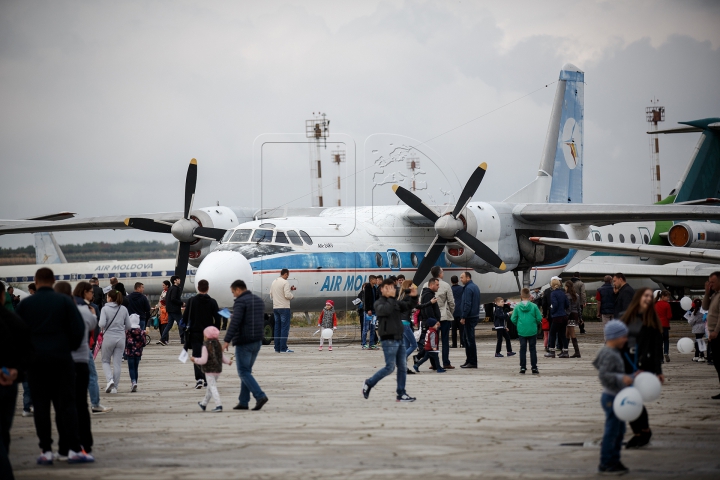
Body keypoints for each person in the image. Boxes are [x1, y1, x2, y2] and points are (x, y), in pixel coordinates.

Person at [15, 267, 92, 465]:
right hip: (62, 360)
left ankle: (46, 450)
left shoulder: (26, 304)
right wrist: (66, 348)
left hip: (36, 363)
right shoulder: (65, 301)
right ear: (53, 280)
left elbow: (18, 334)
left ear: (36, 281)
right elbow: (78, 330)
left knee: (40, 406)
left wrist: (27, 358)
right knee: (66, 405)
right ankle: (74, 449)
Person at [55, 281, 97, 460]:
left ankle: (63, 447)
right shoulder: (83, 311)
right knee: (81, 404)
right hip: (80, 361)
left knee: (61, 406)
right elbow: (93, 325)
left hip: (59, 362)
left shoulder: (53, 312)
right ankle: (85, 444)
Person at [621, 288, 665, 449]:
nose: (648, 298)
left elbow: (655, 350)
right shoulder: (626, 319)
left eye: (650, 296)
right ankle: (638, 433)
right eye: (645, 295)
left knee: (636, 400)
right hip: (628, 365)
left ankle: (644, 431)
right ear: (639, 298)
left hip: (645, 367)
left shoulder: (652, 322)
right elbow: (621, 346)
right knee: (628, 400)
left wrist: (658, 371)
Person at [362, 278, 416, 402]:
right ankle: (369, 383)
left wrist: (413, 297)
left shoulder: (396, 302)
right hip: (388, 339)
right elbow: (385, 310)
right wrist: (392, 298)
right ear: (382, 289)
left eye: (392, 287)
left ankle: (401, 393)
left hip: (399, 337)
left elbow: (408, 306)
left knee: (402, 366)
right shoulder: (379, 303)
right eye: (387, 288)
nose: (391, 290)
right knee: (390, 367)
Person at [593, 320, 633, 475]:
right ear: (613, 337)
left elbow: (599, 365)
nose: (625, 339)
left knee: (619, 429)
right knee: (612, 431)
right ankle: (607, 461)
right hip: (611, 397)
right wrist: (621, 379)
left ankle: (614, 460)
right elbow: (604, 375)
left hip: (615, 396)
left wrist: (630, 376)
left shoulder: (608, 351)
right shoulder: (609, 353)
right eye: (623, 336)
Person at [0, 281, 32, 479]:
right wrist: (16, 372)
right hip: (7, 382)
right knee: (3, 433)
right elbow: (28, 351)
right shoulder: (12, 320)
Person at [223, 280, 268, 411]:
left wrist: (226, 340)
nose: (233, 295)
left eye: (233, 292)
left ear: (238, 289)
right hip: (257, 341)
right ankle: (243, 402)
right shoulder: (259, 301)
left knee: (243, 371)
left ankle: (260, 395)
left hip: (244, 341)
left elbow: (235, 322)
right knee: (246, 371)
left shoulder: (240, 302)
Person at [73, 282, 111, 415]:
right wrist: (94, 315)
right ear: (84, 292)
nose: (92, 294)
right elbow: (92, 325)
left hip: (68, 348)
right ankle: (95, 403)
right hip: (82, 347)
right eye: (91, 292)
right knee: (92, 376)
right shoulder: (86, 307)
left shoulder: (70, 303)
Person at [183, 280, 222, 389]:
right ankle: (206, 380)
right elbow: (218, 318)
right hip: (208, 334)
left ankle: (199, 379)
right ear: (208, 288)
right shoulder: (212, 302)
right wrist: (215, 330)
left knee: (196, 355)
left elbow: (185, 318)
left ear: (198, 288)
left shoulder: (191, 301)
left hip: (195, 333)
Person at [99, 289, 132, 394]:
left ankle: (110, 380)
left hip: (108, 337)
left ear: (109, 298)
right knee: (117, 363)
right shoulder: (123, 309)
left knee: (105, 361)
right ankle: (115, 388)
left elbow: (102, 324)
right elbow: (128, 326)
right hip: (121, 338)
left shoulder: (105, 309)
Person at [193, 326, 232, 412]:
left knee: (213, 387)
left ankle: (219, 405)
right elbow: (222, 357)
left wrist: (195, 360)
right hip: (218, 370)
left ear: (206, 336)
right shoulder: (218, 345)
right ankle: (204, 403)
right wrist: (228, 362)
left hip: (209, 370)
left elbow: (203, 360)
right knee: (210, 387)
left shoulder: (205, 346)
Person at [427, 267, 455, 369]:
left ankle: (434, 363)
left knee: (433, 341)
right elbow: (451, 302)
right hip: (444, 316)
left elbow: (422, 300)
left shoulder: (427, 285)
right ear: (440, 274)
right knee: (445, 340)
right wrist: (450, 313)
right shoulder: (446, 285)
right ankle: (446, 362)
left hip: (432, 318)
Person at [510, 288, 542, 374]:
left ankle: (523, 367)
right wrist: (535, 323)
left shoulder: (517, 307)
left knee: (522, 349)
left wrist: (518, 324)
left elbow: (513, 318)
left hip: (521, 330)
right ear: (529, 296)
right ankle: (534, 367)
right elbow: (539, 318)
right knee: (532, 349)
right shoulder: (534, 306)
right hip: (532, 329)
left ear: (521, 296)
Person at [701, 272, 720, 398]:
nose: (710, 284)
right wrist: (707, 293)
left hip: (718, 333)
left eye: (712, 282)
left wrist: (716, 331)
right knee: (717, 363)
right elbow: (704, 306)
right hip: (713, 333)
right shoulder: (715, 295)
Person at [270, 268, 295, 354]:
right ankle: (283, 348)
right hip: (284, 307)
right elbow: (287, 295)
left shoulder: (274, 282)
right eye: (287, 275)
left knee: (277, 327)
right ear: (285, 274)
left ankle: (277, 348)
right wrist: (292, 296)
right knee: (284, 327)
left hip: (275, 307)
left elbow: (271, 294)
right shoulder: (285, 282)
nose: (288, 276)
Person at [397, 280, 420, 374]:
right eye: (411, 285)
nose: (413, 287)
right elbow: (414, 304)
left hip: (401, 322)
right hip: (405, 323)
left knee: (406, 346)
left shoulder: (402, 296)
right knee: (414, 345)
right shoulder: (407, 297)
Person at [459, 272, 481, 369]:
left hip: (469, 317)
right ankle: (469, 360)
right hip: (474, 315)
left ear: (468, 278)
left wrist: (463, 316)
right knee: (466, 338)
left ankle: (472, 361)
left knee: (469, 340)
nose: (461, 279)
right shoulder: (475, 287)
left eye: (462, 277)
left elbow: (467, 304)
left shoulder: (468, 288)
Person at [544, 278, 569, 359]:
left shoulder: (553, 293)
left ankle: (552, 351)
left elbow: (555, 304)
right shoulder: (563, 293)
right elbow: (567, 304)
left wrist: (552, 312)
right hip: (564, 315)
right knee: (562, 334)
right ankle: (565, 351)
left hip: (557, 316)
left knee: (552, 333)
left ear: (552, 284)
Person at [418, 278, 441, 361]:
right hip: (430, 323)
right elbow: (428, 310)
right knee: (432, 344)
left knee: (430, 345)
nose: (438, 287)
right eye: (437, 285)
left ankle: (434, 363)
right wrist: (434, 322)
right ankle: (434, 363)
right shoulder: (428, 295)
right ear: (431, 285)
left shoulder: (429, 293)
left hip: (429, 322)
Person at [159, 276, 183, 346]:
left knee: (169, 325)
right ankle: (183, 339)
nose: (179, 280)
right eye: (178, 279)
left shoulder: (170, 289)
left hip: (170, 309)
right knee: (181, 324)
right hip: (175, 310)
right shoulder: (175, 289)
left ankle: (162, 339)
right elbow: (173, 299)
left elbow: (167, 299)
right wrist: (181, 303)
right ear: (175, 281)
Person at [125, 316, 145, 392]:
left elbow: (125, 341)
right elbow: (144, 343)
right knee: (136, 368)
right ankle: (135, 382)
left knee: (131, 368)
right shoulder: (141, 331)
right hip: (138, 353)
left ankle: (133, 381)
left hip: (130, 352)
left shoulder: (127, 331)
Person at [654, 290, 673, 363]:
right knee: (666, 340)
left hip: (657, 325)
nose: (668, 298)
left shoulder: (655, 304)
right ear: (662, 297)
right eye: (667, 297)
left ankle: (660, 359)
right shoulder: (667, 305)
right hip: (665, 325)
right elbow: (669, 316)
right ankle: (666, 352)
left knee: (659, 342)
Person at [565, 280, 582, 358]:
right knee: (567, 333)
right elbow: (579, 308)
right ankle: (565, 350)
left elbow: (569, 308)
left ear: (567, 287)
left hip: (570, 315)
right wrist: (580, 317)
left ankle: (577, 351)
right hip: (575, 315)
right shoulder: (577, 295)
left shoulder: (567, 296)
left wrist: (566, 316)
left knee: (571, 332)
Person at [360, 276, 377, 349]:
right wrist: (368, 309)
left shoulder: (374, 288)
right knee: (366, 328)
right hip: (368, 311)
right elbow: (366, 300)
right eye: (375, 279)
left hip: (374, 311)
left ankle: (372, 343)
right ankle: (364, 343)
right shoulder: (367, 288)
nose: (376, 281)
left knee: (373, 327)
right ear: (371, 280)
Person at [451, 276, 465, 348]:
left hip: (453, 311)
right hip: (460, 311)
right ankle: (462, 343)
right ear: (458, 281)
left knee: (453, 330)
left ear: (451, 281)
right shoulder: (462, 289)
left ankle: (454, 344)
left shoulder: (450, 289)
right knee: (462, 330)